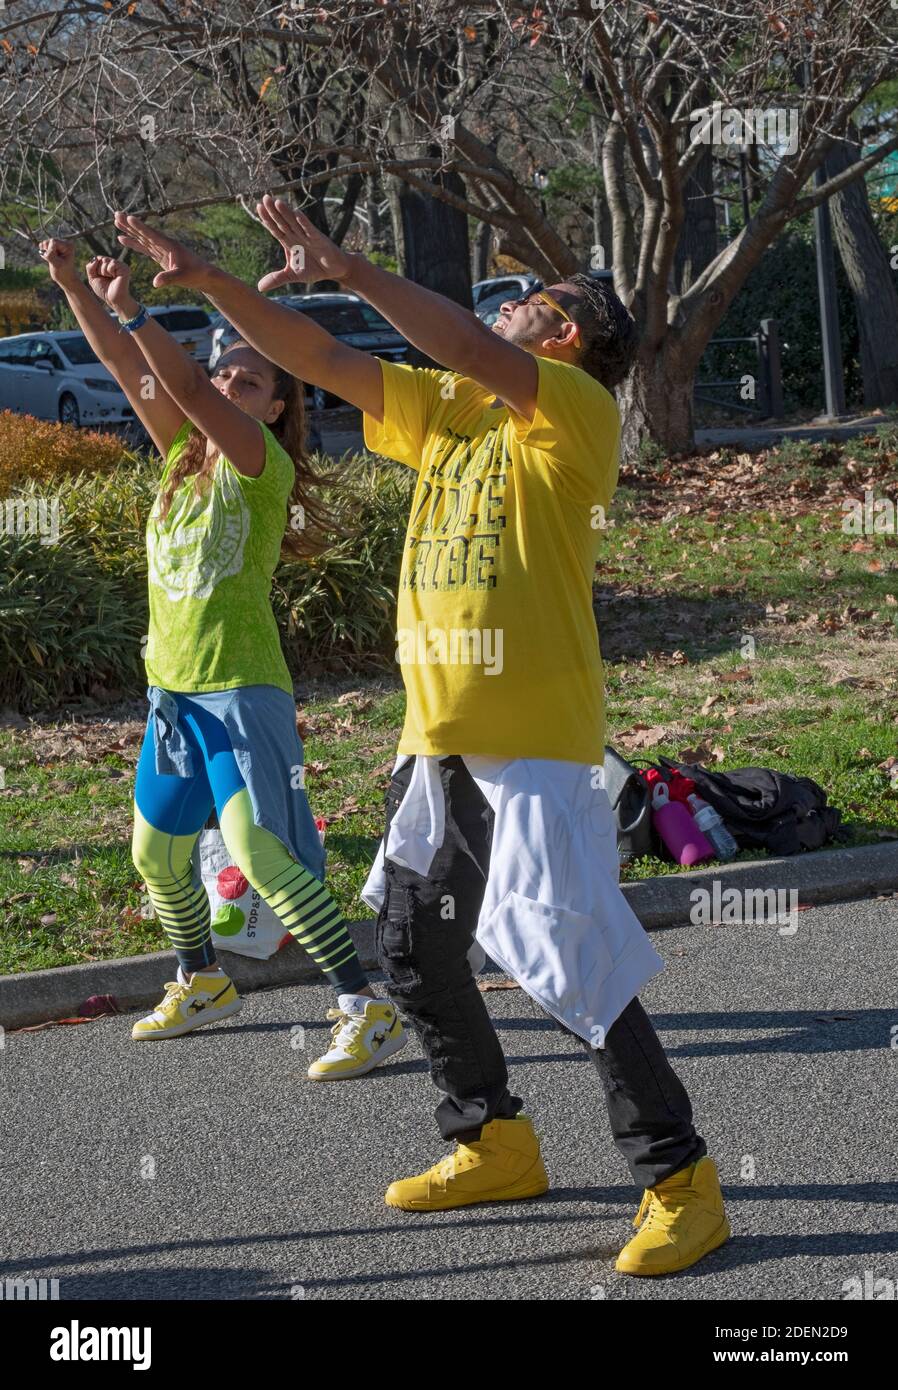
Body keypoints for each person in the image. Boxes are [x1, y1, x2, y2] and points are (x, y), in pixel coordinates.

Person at [110, 204, 731, 1276]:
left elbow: (462, 340)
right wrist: (212, 280)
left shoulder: (572, 409)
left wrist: (350, 263)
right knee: (411, 942)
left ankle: (683, 1181)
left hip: (532, 732)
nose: (512, 305)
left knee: (563, 951)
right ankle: (492, 1137)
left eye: (534, 302)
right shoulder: (449, 411)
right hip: (437, 731)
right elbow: (316, 354)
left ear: (568, 336)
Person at [38, 237, 406, 1081]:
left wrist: (139, 312)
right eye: (225, 374)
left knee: (262, 856)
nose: (230, 386)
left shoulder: (255, 462)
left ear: (276, 407)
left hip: (241, 691)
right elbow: (137, 374)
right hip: (173, 693)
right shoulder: (179, 455)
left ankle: (366, 1004)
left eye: (251, 380)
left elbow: (185, 385)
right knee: (156, 857)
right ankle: (201, 978)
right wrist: (73, 288)